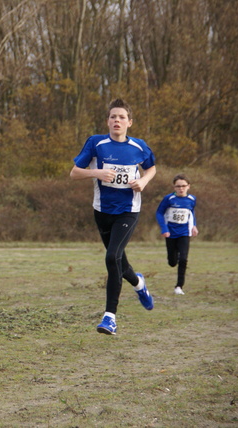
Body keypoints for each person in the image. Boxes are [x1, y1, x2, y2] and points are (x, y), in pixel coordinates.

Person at [70, 98, 156, 335]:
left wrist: (144, 181)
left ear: (130, 122)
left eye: (121, 117)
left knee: (112, 256)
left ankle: (110, 318)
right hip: (102, 211)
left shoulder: (139, 147)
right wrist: (97, 173)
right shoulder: (96, 143)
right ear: (107, 121)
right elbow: (74, 173)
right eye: (112, 117)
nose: (116, 120)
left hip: (128, 211)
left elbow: (151, 168)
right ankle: (139, 284)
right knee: (119, 261)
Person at [155, 174, 198, 295]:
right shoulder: (168, 199)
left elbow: (191, 212)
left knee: (183, 259)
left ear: (188, 186)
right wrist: (164, 229)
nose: (181, 188)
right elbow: (159, 213)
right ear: (174, 187)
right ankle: (173, 259)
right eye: (178, 186)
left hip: (184, 232)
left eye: (183, 186)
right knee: (172, 262)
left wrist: (194, 225)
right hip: (170, 233)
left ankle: (179, 286)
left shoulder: (192, 199)